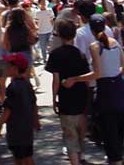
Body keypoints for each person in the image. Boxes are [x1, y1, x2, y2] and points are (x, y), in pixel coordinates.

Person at [63, 14, 124, 165]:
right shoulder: (115, 43)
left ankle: (115, 159)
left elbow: (97, 73)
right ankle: (117, 158)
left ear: (91, 30)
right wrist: (113, 71)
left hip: (105, 90)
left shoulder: (95, 47)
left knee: (108, 129)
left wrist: (75, 79)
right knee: (119, 127)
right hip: (119, 87)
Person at [45, 20, 89, 165]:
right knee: (81, 130)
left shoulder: (55, 55)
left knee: (69, 134)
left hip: (65, 98)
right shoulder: (80, 54)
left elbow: (56, 80)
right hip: (81, 97)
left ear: (59, 35)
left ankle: (74, 160)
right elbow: (86, 78)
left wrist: (53, 99)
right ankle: (81, 154)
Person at [0, 53, 38, 165]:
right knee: (28, 155)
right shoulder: (27, 85)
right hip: (27, 128)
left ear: (15, 69)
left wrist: (1, 124)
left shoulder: (12, 87)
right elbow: (34, 104)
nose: (6, 67)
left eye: (8, 65)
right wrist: (36, 120)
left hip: (16, 129)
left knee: (19, 158)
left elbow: (8, 109)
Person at [34, 0, 54, 64]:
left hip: (49, 30)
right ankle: (44, 59)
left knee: (50, 45)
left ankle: (51, 58)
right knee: (43, 47)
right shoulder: (37, 12)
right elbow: (36, 22)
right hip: (41, 32)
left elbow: (52, 20)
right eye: (42, 2)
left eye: (44, 2)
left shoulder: (50, 10)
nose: (43, 3)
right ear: (39, 3)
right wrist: (36, 31)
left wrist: (53, 28)